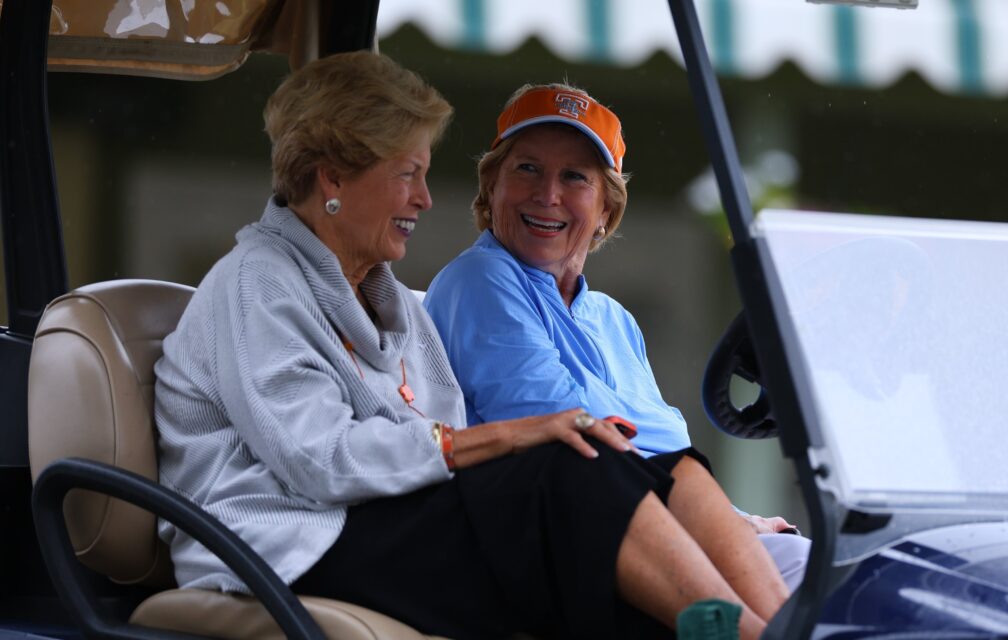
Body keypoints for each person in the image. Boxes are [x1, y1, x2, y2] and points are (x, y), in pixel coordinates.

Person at [153, 52, 788, 640]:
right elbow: (322, 463)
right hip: (290, 544)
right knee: (569, 477)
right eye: (408, 175)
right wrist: (518, 436)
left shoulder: (392, 300)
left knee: (597, 494)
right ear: (333, 178)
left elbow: (440, 431)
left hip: (383, 523)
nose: (425, 200)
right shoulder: (256, 282)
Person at [424, 83, 810, 590]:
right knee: (808, 583)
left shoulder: (612, 319)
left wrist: (735, 517)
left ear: (606, 209)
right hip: (572, 542)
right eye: (527, 169)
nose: (548, 194)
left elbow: (658, 445)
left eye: (575, 178)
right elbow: (562, 434)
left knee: (834, 570)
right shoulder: (480, 279)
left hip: (660, 523)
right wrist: (723, 522)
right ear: (491, 186)